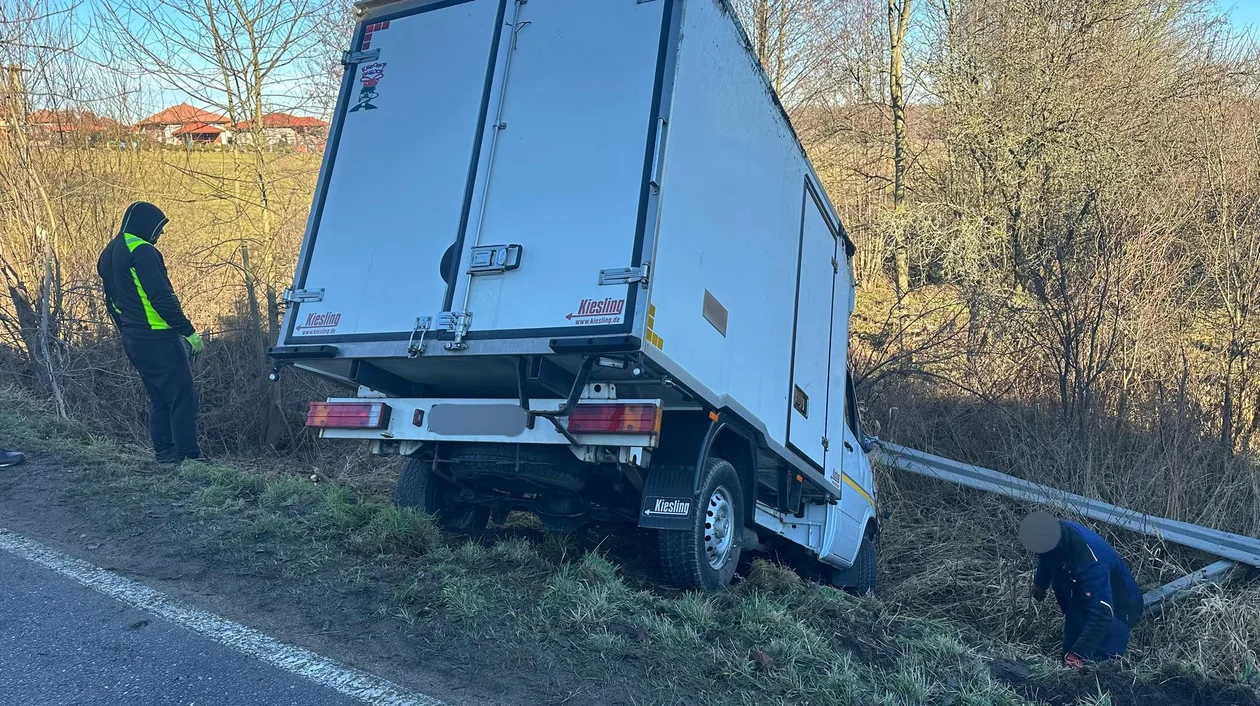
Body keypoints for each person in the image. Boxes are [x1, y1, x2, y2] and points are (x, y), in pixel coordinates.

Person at [98, 202, 204, 463]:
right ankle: (189, 456)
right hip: (159, 338)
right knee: (182, 398)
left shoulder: (109, 252)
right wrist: (187, 330)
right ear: (146, 225)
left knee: (158, 398)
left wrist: (126, 330)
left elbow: (110, 302)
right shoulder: (143, 251)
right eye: (160, 228)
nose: (161, 234)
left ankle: (164, 452)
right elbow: (161, 296)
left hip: (133, 338)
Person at [1021, 511, 1143, 666]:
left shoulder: (1091, 564)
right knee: (1068, 655)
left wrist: (1078, 655)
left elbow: (1103, 614)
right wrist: (1041, 582)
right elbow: (1047, 556)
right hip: (1080, 598)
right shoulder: (1057, 533)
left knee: (1096, 666)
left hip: (1115, 612)